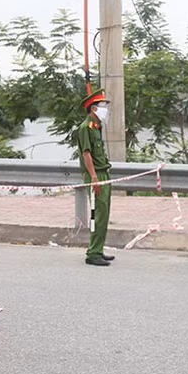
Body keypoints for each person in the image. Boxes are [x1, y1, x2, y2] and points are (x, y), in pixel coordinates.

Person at [76, 88, 115, 267]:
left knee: (103, 213)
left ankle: (98, 249)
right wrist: (93, 178)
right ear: (93, 109)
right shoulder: (86, 128)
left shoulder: (97, 127)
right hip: (96, 175)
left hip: (103, 172)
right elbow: (86, 154)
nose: (105, 109)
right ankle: (93, 253)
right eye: (102, 106)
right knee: (98, 214)